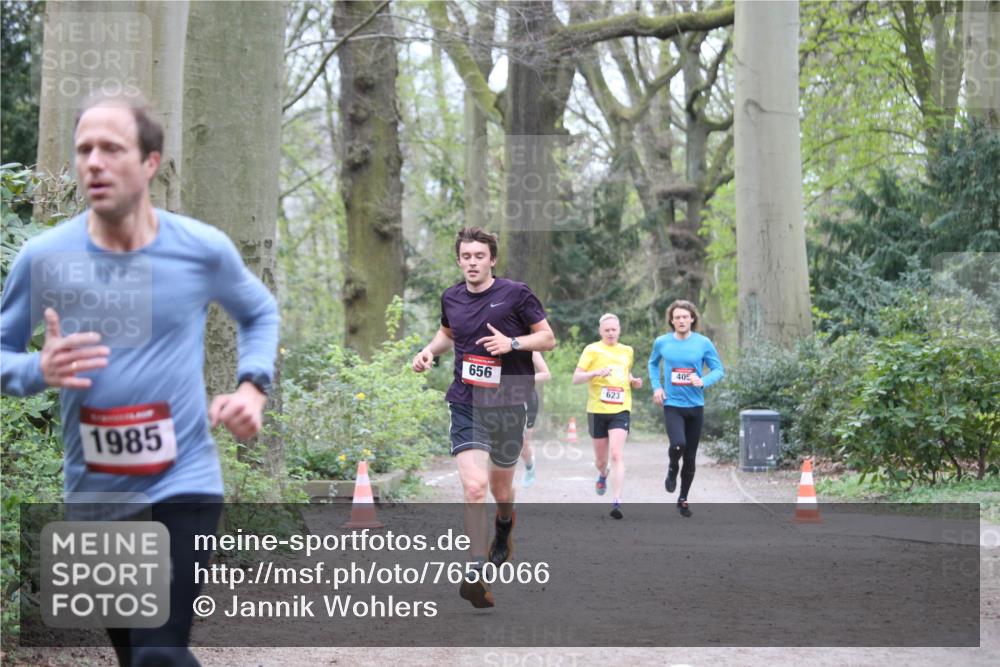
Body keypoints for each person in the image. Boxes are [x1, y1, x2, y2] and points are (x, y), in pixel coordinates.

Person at [0, 95, 279, 665]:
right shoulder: (44, 257)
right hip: (99, 491)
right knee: (140, 656)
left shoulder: (199, 250)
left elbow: (259, 312)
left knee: (158, 651)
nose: (93, 163)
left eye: (111, 149)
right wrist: (36, 369)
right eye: (83, 150)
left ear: (151, 162)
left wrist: (253, 384)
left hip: (185, 480)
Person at [411, 227, 555, 608]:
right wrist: (428, 352)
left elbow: (548, 338)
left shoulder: (516, 294)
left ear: (492, 259)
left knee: (501, 491)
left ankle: (504, 527)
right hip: (466, 400)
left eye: (479, 256)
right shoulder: (452, 297)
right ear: (459, 260)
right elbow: (447, 334)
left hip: (509, 400)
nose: (472, 262)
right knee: (474, 486)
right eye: (466, 257)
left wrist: (512, 344)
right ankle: (476, 567)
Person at [647, 300, 723, 518]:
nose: (681, 320)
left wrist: (703, 381)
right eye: (677, 317)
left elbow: (718, 369)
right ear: (671, 320)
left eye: (685, 317)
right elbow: (653, 364)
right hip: (672, 404)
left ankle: (683, 498)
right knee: (678, 444)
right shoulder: (662, 342)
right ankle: (672, 467)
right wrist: (657, 387)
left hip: (695, 406)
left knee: (690, 457)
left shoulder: (703, 343)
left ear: (692, 319)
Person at [573, 313, 642, 519]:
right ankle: (603, 474)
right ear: (601, 332)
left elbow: (625, 373)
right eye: (607, 330)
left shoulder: (627, 351)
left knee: (616, 455)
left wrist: (633, 381)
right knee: (601, 461)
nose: (611, 333)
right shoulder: (592, 350)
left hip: (621, 409)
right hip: (597, 410)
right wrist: (594, 373)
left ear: (619, 330)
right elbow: (576, 378)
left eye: (614, 329)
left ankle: (617, 501)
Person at [521, 351, 551, 488]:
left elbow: (546, 374)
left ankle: (529, 466)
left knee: (523, 445)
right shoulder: (497, 347)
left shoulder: (531, 349)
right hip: (502, 399)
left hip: (527, 399)